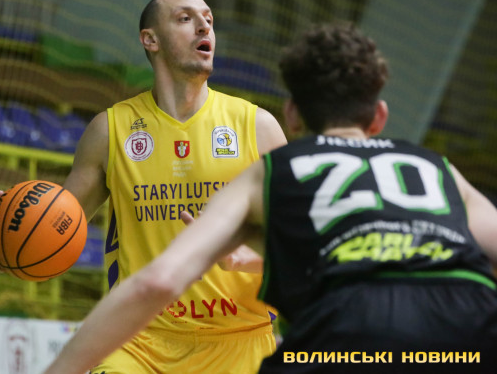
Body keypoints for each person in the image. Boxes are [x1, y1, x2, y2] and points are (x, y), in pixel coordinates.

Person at [41, 22, 497, 374]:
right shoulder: (436, 168)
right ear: (379, 118)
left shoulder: (277, 170)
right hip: (467, 331)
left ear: (292, 117)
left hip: (348, 329)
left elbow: (157, 283)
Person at [0, 0, 287, 373]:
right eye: (185, 18)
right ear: (150, 39)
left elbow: (300, 245)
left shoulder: (257, 127)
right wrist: (5, 240)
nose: (204, 26)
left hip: (240, 342)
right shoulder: (110, 130)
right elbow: (57, 225)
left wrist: (240, 257)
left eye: (208, 18)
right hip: (137, 342)